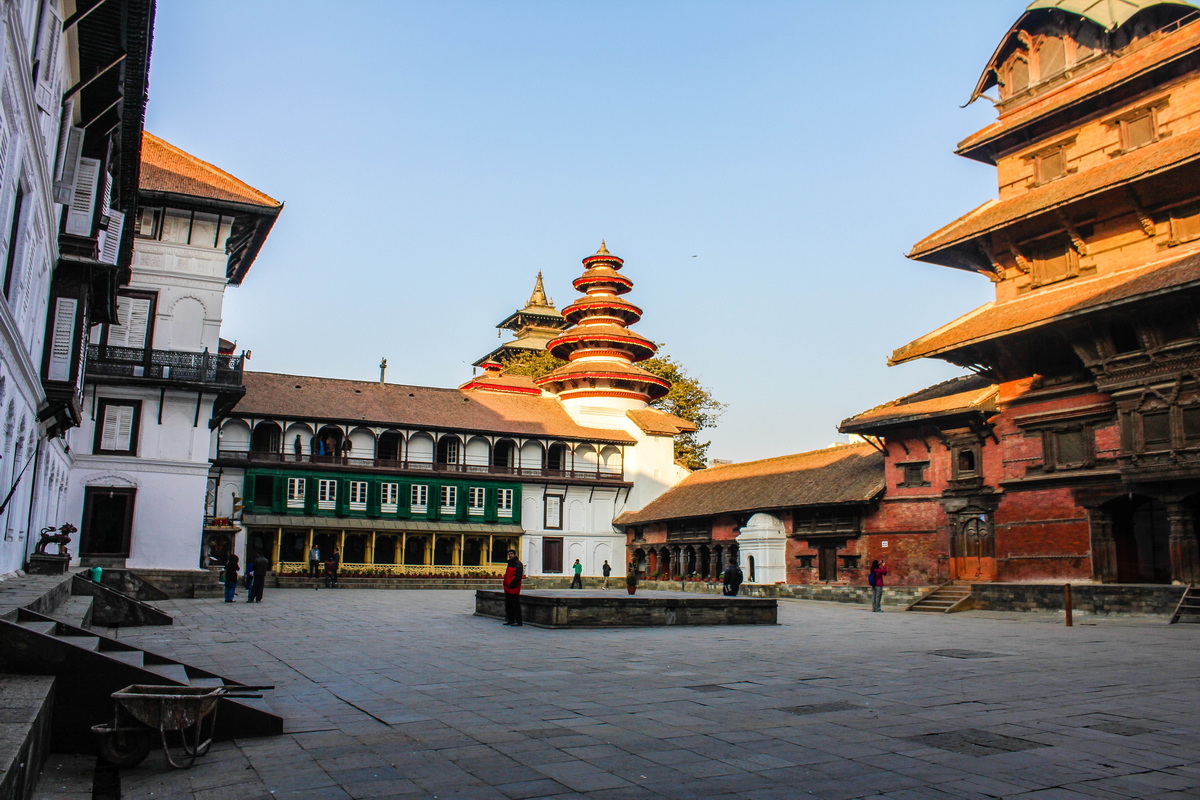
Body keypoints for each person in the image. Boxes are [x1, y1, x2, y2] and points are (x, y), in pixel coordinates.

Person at [503, 548, 523, 626]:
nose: (510, 555)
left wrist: (512, 584)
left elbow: (518, 576)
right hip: (507, 587)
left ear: (514, 555)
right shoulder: (510, 563)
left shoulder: (518, 564)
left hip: (514, 588)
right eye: (509, 554)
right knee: (508, 605)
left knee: (515, 605)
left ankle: (518, 621)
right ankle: (510, 619)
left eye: (511, 554)